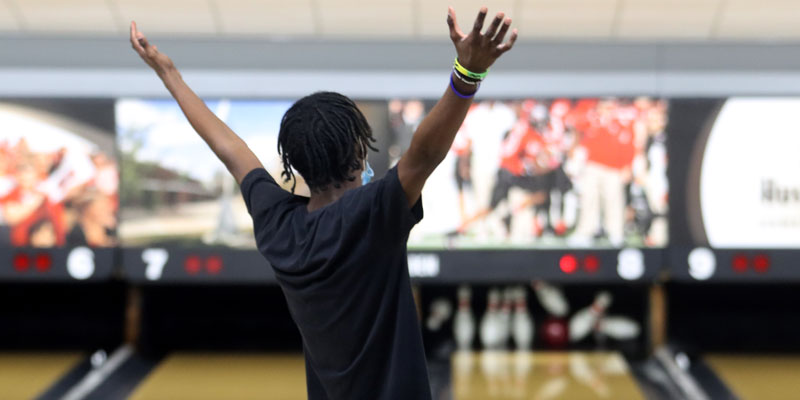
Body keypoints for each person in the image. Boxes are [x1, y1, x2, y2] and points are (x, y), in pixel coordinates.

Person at [130, 6, 517, 399]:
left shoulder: (278, 226)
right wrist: (468, 73)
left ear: (295, 161)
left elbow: (229, 149)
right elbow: (424, 153)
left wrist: (169, 76)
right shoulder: (372, 215)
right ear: (358, 151)